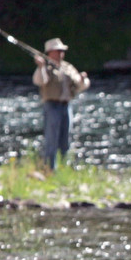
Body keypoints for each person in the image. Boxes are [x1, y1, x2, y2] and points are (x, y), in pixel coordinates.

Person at [31, 37, 90, 169]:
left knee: (65, 141)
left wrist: (82, 79)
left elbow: (80, 85)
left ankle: (64, 170)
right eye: (58, 51)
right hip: (52, 106)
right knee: (51, 141)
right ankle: (50, 169)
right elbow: (39, 81)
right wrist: (40, 67)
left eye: (61, 51)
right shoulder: (45, 67)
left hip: (66, 106)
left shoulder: (68, 67)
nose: (60, 53)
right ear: (50, 52)